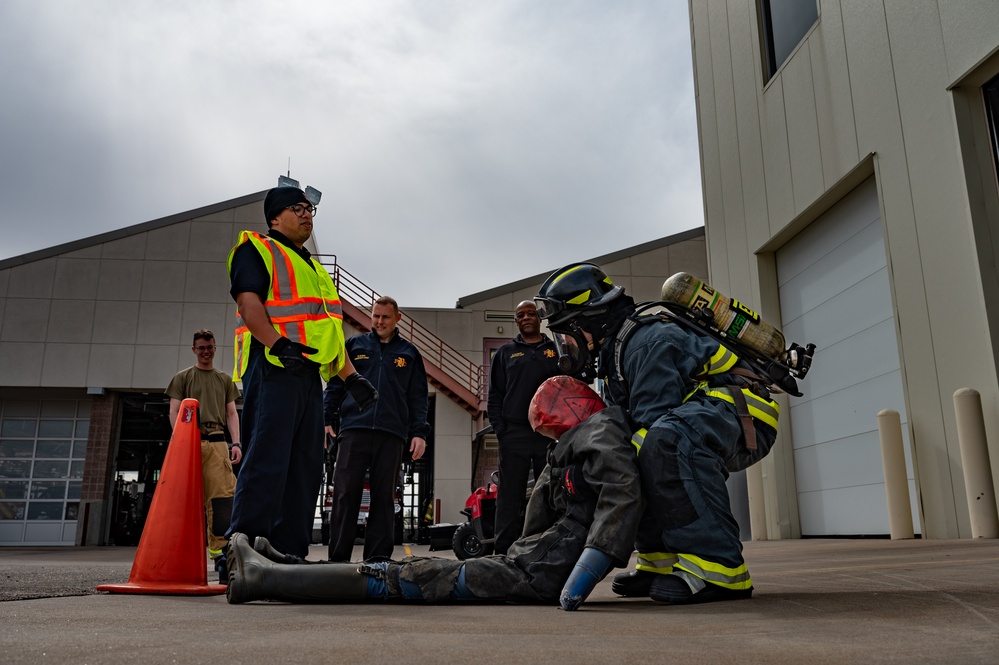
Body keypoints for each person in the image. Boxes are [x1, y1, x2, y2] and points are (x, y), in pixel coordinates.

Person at [225, 376, 642, 611]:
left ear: (571, 409)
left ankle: (268, 578)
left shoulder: (600, 433)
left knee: (405, 574)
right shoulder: (577, 448)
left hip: (535, 574)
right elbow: (540, 515)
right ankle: (283, 567)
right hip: (527, 563)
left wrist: (585, 573)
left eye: (552, 430)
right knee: (403, 569)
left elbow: (621, 492)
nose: (551, 440)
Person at [534, 263, 783, 605]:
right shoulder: (615, 357)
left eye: (566, 332)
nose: (565, 344)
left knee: (659, 442)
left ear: (587, 321)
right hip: (706, 417)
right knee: (631, 452)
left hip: (744, 414)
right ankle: (661, 562)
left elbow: (652, 428)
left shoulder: (646, 341)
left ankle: (720, 568)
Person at [226, 185, 378, 560]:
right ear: (275, 216)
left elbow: (326, 333)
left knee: (304, 467)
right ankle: (242, 550)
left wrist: (350, 378)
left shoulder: (312, 267)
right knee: (267, 458)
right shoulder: (257, 249)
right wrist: (277, 344)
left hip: (308, 375)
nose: (307, 213)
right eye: (298, 208)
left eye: (310, 208)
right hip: (272, 366)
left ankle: (288, 552)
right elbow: (248, 303)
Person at [323, 296, 430, 562]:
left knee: (384, 498)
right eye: (375, 316)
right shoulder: (354, 346)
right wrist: (325, 420)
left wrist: (419, 433)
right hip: (354, 429)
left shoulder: (409, 353)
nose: (379, 322)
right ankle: (338, 561)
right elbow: (336, 386)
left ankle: (378, 562)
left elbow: (417, 397)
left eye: (385, 317)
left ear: (397, 319)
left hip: (391, 434)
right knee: (345, 494)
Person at [165, 329, 242, 583]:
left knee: (221, 501)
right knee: (184, 501)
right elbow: (174, 413)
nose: (206, 351)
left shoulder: (224, 380)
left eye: (209, 347)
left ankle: (221, 559)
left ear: (215, 348)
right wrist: (181, 442)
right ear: (194, 350)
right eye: (201, 347)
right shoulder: (182, 378)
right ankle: (178, 557)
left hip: (218, 443)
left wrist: (236, 443)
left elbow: (231, 414)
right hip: (190, 443)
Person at [487, 300, 561, 555]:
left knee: (548, 495)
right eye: (521, 314)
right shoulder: (506, 353)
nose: (527, 317)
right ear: (516, 321)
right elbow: (495, 395)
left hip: (547, 434)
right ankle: (502, 554)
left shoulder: (555, 350)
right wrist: (501, 429)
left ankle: (545, 552)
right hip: (514, 434)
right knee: (509, 497)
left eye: (531, 313)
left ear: (539, 318)